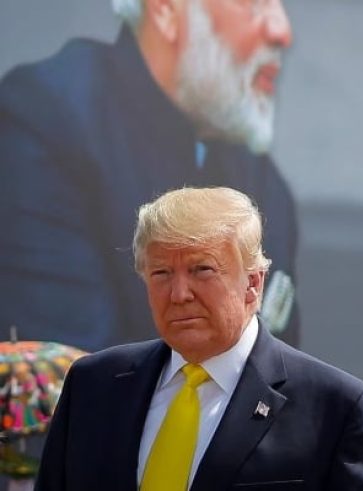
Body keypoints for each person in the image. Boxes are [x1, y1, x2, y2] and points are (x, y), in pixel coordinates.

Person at [35, 186, 363, 490]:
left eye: (201, 270)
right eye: (161, 273)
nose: (179, 293)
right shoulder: (93, 385)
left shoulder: (337, 408)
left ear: (253, 284)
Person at [0, 0, 300, 352]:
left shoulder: (263, 181)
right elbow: (70, 380)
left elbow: (281, 381)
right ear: (165, 11)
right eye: (253, 4)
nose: (282, 31)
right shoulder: (45, 120)